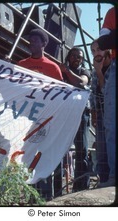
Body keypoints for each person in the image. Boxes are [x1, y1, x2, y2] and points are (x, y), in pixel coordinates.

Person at [18, 28, 63, 200]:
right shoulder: (21, 65)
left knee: (44, 155)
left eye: (35, 41)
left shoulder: (53, 67)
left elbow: (61, 94)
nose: (31, 43)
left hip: (46, 120)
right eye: (30, 40)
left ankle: (45, 197)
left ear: (44, 43)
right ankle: (31, 195)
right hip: (26, 119)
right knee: (28, 155)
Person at [59, 47, 91, 192]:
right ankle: (57, 187)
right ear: (68, 56)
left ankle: (81, 186)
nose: (76, 59)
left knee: (81, 151)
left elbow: (81, 83)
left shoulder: (84, 71)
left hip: (80, 114)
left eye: (79, 57)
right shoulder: (60, 70)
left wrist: (67, 72)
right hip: (64, 114)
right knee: (59, 149)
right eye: (73, 56)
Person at [96, 6, 116, 188]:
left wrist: (113, 37)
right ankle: (114, 176)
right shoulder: (112, 12)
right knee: (112, 126)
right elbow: (103, 42)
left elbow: (109, 39)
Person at [90, 39, 111, 184]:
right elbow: (93, 93)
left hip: (112, 114)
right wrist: (93, 112)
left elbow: (106, 92)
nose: (96, 53)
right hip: (100, 114)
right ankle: (103, 180)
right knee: (101, 150)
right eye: (93, 51)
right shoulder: (94, 71)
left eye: (99, 49)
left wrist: (99, 72)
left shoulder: (113, 69)